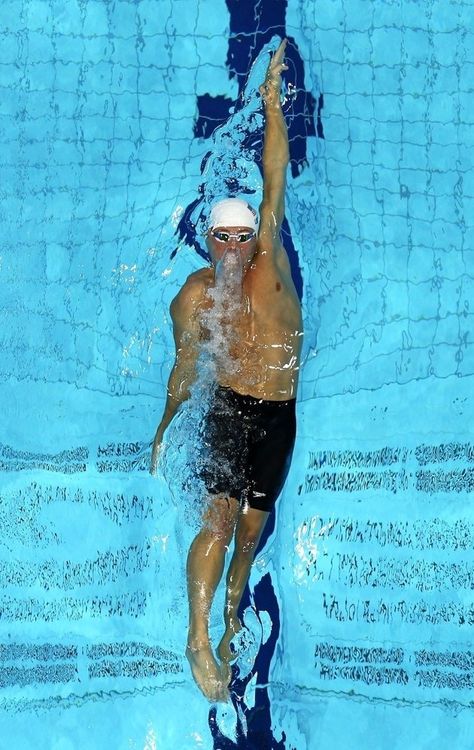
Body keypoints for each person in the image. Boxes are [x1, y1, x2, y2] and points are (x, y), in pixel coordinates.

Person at [150, 39, 303, 703]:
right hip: (228, 411)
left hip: (278, 417)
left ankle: (236, 597)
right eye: (224, 237)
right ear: (208, 241)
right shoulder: (194, 295)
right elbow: (188, 364)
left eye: (243, 236)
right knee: (218, 520)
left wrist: (272, 105)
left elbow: (275, 177)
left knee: (250, 529)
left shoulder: (272, 263)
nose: (237, 247)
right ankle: (195, 635)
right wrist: (166, 422)